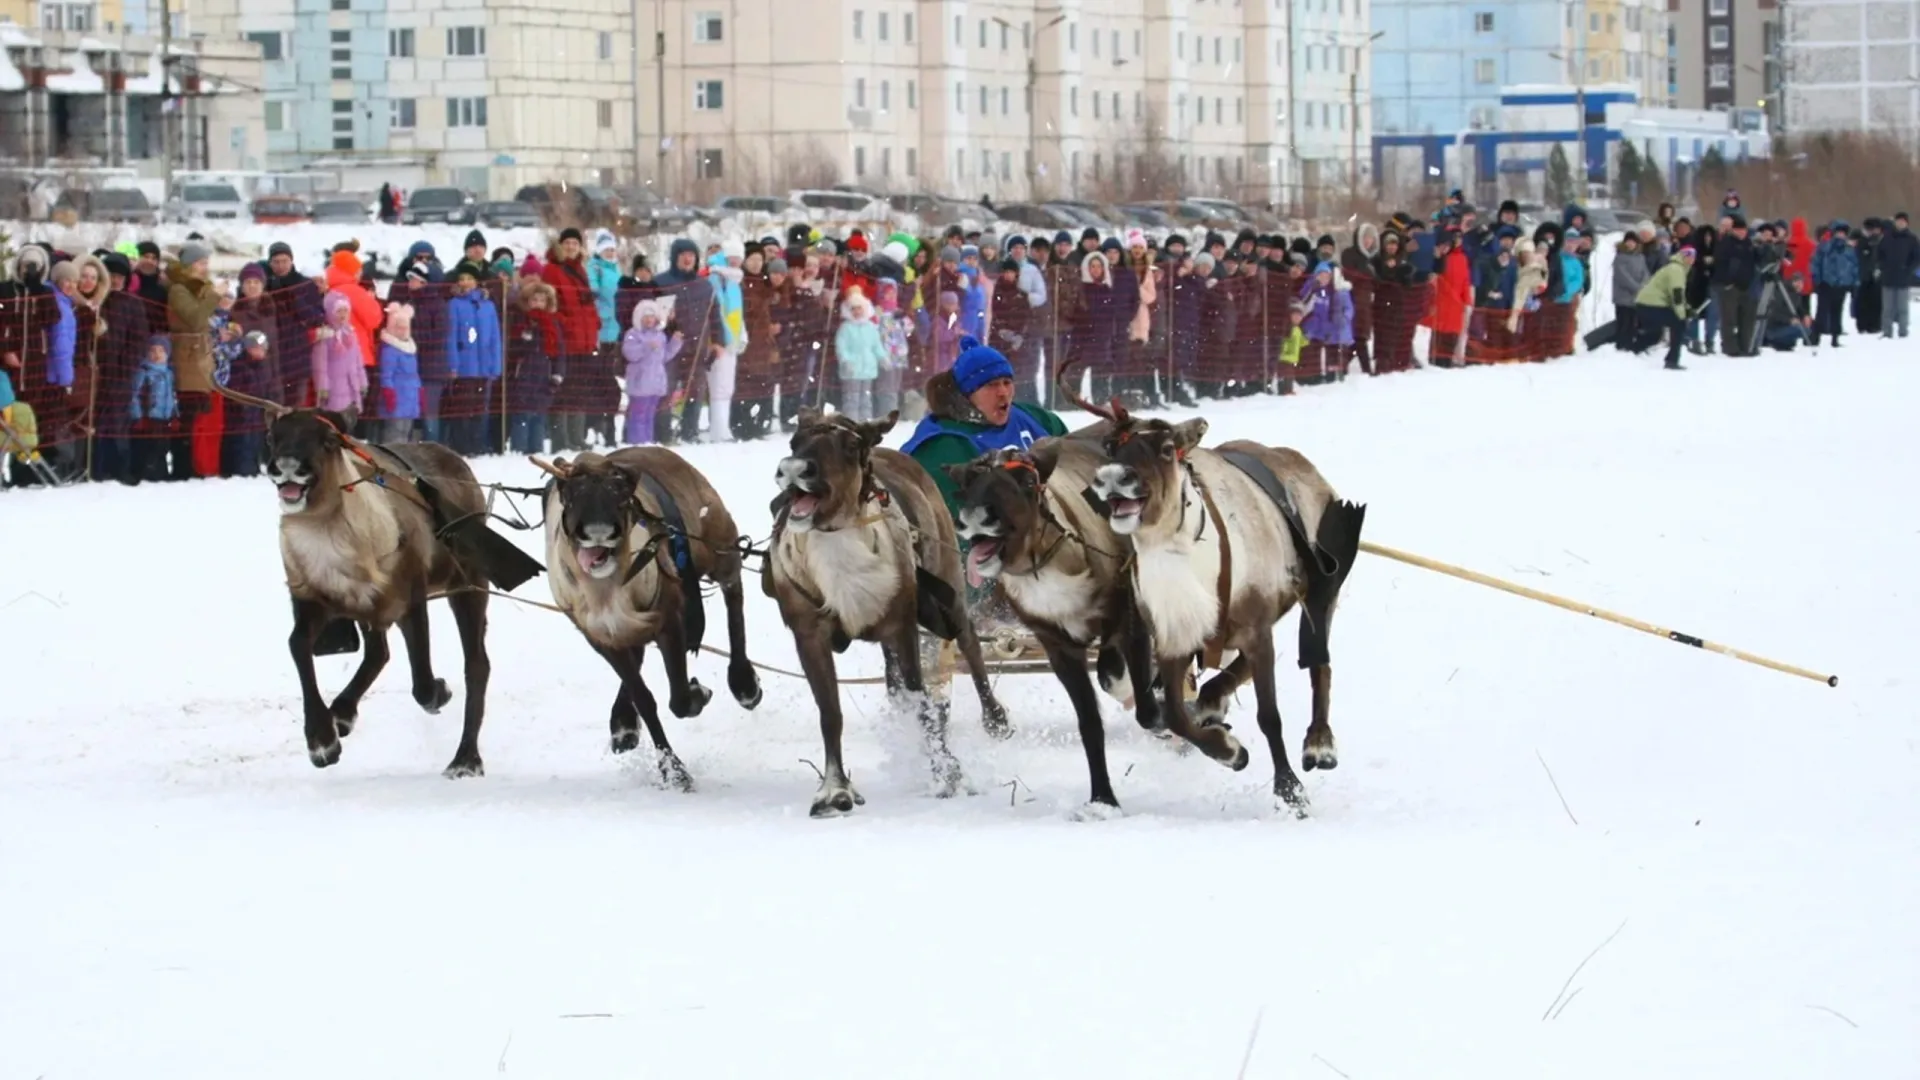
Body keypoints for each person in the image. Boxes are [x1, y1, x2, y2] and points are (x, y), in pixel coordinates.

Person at [903, 336, 1069, 519]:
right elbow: (957, 527)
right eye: (991, 385)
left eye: (1007, 382)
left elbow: (1078, 468)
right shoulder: (942, 444)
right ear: (967, 394)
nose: (1003, 393)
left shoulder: (1036, 419)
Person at [1633, 246, 1696, 371]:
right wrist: (1683, 315)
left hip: (1647, 304)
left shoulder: (1677, 268)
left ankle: (1633, 350)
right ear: (1683, 256)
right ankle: (1672, 360)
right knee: (1678, 324)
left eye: (1694, 256)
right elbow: (1677, 294)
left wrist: (1687, 308)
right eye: (1689, 256)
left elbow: (1678, 296)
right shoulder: (1676, 270)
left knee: (1655, 333)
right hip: (1651, 304)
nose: (1692, 259)